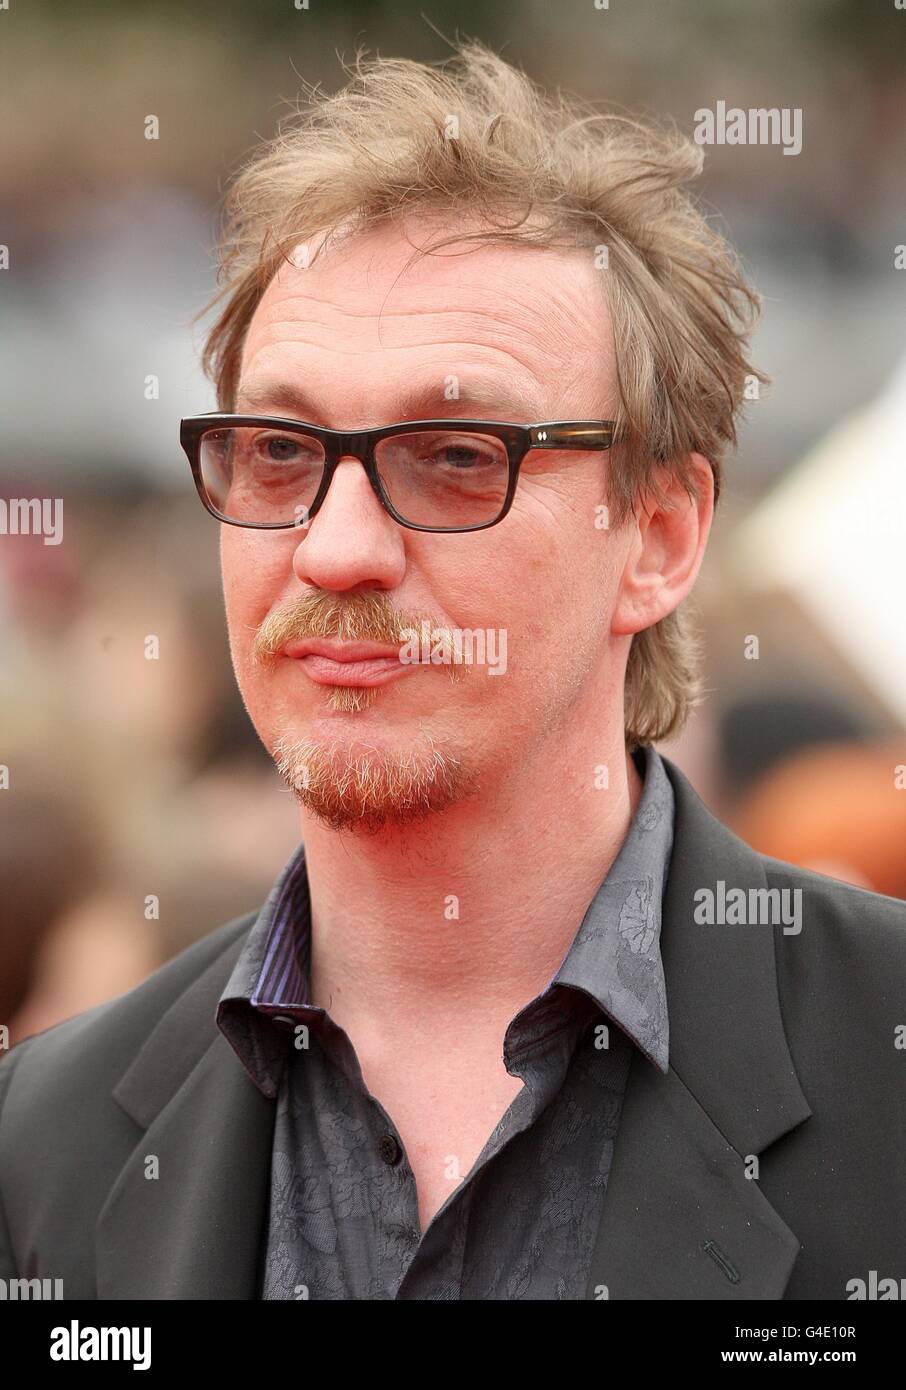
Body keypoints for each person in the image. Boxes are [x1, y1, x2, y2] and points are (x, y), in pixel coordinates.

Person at [1, 40, 903, 1302]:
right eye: (275, 450)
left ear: (660, 536)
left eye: (459, 455)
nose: (337, 546)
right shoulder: (42, 1141)